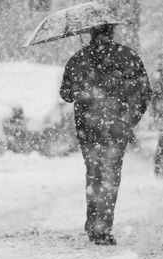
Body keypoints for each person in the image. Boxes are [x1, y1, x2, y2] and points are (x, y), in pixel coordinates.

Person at [60, 24, 151, 245]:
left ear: (90, 34)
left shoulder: (78, 59)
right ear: (112, 33)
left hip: (89, 131)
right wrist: (128, 121)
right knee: (109, 178)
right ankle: (103, 226)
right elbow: (144, 93)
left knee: (94, 176)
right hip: (115, 131)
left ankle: (94, 223)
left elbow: (65, 93)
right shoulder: (128, 57)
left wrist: (83, 90)